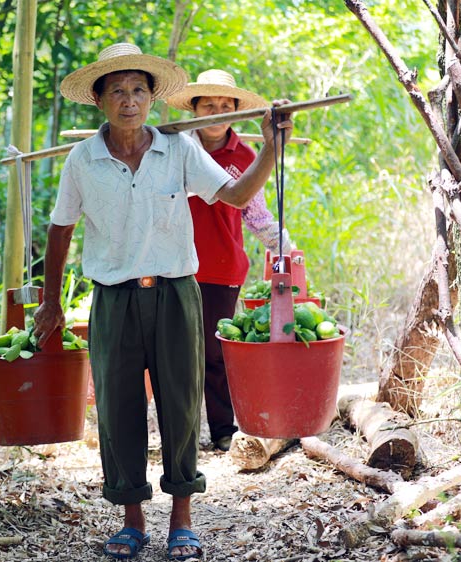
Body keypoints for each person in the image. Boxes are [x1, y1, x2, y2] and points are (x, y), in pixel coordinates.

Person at [32, 42, 293, 561]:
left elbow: (238, 197)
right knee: (118, 406)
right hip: (112, 298)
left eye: (138, 91)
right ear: (99, 101)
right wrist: (51, 301)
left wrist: (271, 148)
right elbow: (60, 230)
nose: (129, 100)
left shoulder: (177, 150)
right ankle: (131, 520)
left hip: (176, 293)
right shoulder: (83, 159)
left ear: (152, 98)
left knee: (179, 402)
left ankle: (182, 520)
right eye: (117, 92)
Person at [167, 69, 294, 453]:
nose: (217, 111)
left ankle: (223, 430)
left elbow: (255, 216)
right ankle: (177, 434)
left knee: (216, 354)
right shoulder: (173, 150)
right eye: (209, 105)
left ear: (237, 111)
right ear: (194, 109)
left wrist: (287, 250)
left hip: (221, 270)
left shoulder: (245, 156)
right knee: (174, 355)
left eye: (226, 105)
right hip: (173, 267)